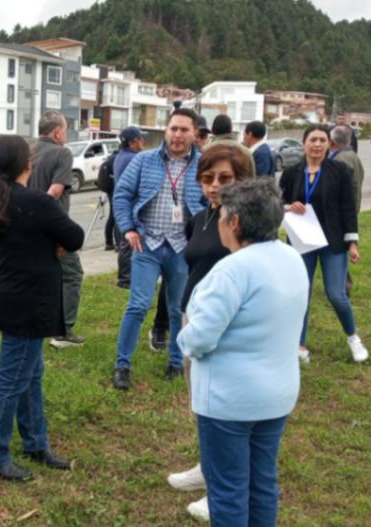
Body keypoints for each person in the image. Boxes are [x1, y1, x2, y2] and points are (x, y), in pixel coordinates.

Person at [177, 178, 310, 527]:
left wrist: (185, 336)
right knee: (262, 481)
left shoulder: (232, 271)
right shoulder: (291, 257)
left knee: (228, 488)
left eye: (221, 215)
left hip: (229, 400)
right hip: (277, 394)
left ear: (234, 222)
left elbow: (199, 339)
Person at [0, 135, 85, 482]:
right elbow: (75, 238)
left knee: (31, 375)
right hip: (29, 303)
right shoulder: (36, 202)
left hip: (10, 297)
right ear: (28, 164)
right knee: (11, 380)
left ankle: (35, 442)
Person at [164, 144, 254, 521]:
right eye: (208, 178)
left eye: (225, 178)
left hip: (221, 326)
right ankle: (207, 467)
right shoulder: (203, 216)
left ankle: (222, 488)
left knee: (222, 411)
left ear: (242, 180)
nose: (214, 185)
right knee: (200, 405)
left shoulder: (244, 224)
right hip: (192, 318)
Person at [112, 108, 205, 388]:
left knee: (178, 308)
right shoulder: (144, 160)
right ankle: (122, 365)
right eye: (173, 129)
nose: (177, 135)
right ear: (166, 130)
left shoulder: (202, 165)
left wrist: (200, 233)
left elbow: (212, 201)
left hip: (181, 247)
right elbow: (122, 194)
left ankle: (177, 362)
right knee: (138, 305)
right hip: (147, 244)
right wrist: (128, 228)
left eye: (184, 130)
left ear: (194, 134)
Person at [280, 124, 369, 363]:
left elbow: (348, 208)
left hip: (332, 241)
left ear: (329, 144)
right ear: (304, 144)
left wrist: (352, 243)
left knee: (336, 294)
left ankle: (353, 338)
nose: (317, 144)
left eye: (322, 140)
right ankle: (299, 344)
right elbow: (276, 201)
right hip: (301, 242)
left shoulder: (338, 170)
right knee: (302, 294)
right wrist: (288, 206)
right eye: (313, 140)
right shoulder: (291, 172)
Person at [29, 110, 85, 348]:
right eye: (66, 129)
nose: (66, 134)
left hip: (28, 227)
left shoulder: (28, 152)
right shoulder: (62, 153)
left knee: (40, 276)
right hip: (54, 228)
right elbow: (55, 192)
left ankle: (35, 323)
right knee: (72, 275)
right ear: (57, 131)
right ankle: (63, 331)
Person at [329, 125, 365, 296]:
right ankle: (343, 285)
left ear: (332, 142)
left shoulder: (339, 161)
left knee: (338, 249)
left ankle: (344, 286)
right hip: (351, 210)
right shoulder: (353, 157)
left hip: (341, 213)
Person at [112, 126, 148, 287]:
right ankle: (125, 279)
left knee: (125, 243)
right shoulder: (134, 158)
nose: (143, 142)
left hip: (123, 205)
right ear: (133, 142)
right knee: (129, 243)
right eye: (141, 139)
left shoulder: (121, 156)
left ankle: (125, 276)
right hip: (131, 206)